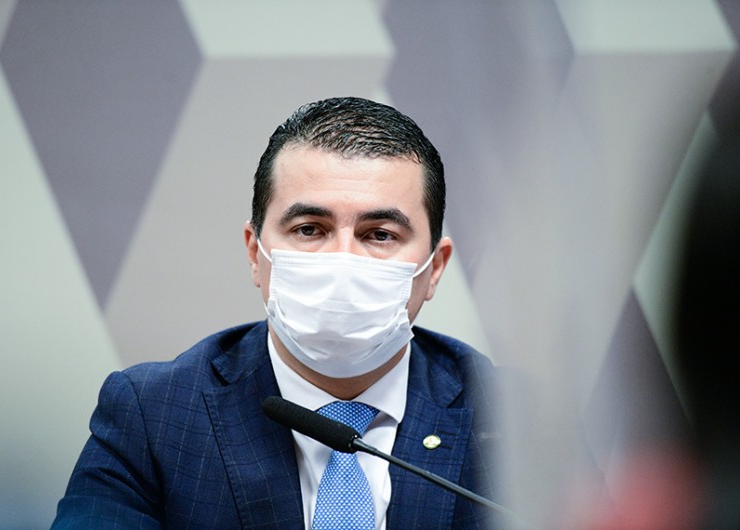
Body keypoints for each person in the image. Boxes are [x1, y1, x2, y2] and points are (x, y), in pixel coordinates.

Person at [52, 97, 500, 529]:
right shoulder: (154, 415)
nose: (342, 260)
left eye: (380, 234)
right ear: (255, 253)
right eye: (309, 229)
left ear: (435, 268)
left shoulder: (509, 419)